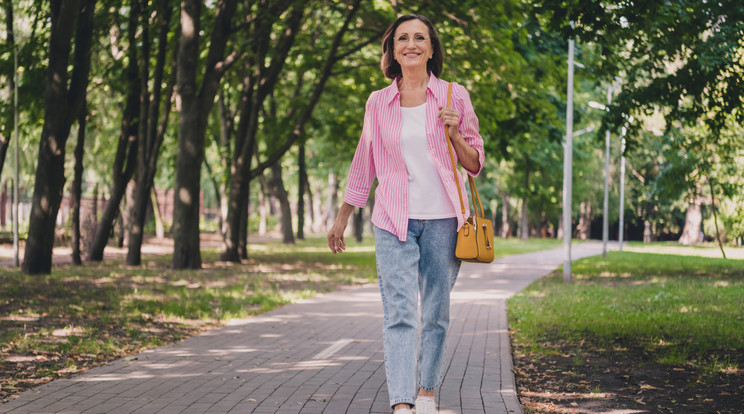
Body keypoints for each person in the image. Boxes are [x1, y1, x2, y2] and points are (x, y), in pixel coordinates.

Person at [327, 14, 484, 414]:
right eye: (402, 39)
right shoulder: (378, 102)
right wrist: (344, 215)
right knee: (399, 313)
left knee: (435, 312)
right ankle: (401, 402)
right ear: (392, 50)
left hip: (445, 221)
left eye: (419, 38)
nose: (410, 44)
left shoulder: (454, 96)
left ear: (431, 49)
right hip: (393, 219)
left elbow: (475, 162)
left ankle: (427, 392)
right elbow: (365, 161)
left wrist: (452, 132)